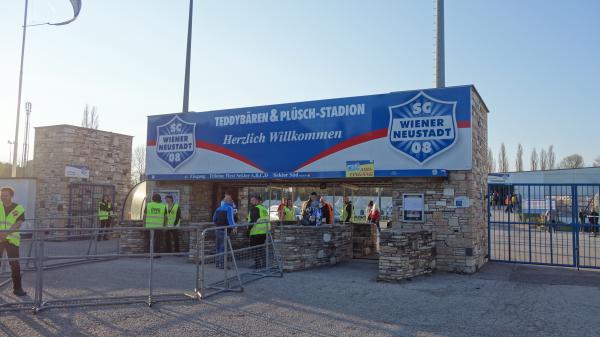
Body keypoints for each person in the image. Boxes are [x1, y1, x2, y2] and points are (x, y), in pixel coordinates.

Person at [0, 187, 27, 296]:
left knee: (15, 264)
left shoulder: (18, 208)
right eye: (1, 195)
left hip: (12, 240)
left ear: (11, 196)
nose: (2, 197)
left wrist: (5, 234)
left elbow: (18, 224)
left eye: (5, 195)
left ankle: (18, 288)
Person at [212, 194, 237, 269]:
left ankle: (217, 263)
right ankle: (222, 265)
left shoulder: (218, 208)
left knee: (218, 247)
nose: (232, 201)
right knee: (224, 248)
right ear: (229, 201)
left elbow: (214, 219)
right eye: (231, 200)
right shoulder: (229, 208)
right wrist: (234, 227)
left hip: (217, 229)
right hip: (225, 230)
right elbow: (230, 219)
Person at [247, 196, 270, 269]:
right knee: (261, 248)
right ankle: (264, 264)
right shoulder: (264, 208)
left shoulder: (255, 208)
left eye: (252, 200)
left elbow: (253, 220)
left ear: (257, 201)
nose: (251, 202)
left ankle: (257, 265)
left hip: (256, 231)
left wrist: (248, 231)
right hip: (264, 231)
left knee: (256, 249)